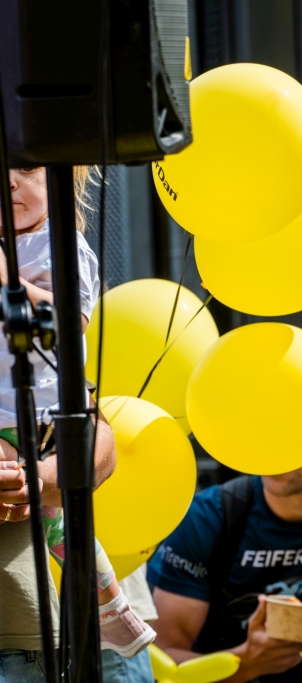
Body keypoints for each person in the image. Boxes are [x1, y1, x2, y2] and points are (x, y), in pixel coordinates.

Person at [0, 166, 155, 660]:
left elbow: (67, 322)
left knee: (50, 509)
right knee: (56, 521)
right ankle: (112, 610)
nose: (9, 181)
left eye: (27, 168)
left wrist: (7, 279)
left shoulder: (58, 245)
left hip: (34, 411)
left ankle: (110, 609)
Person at [149, 393, 302, 683]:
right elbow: (162, 662)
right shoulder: (208, 517)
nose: (272, 447)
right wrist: (246, 662)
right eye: (264, 428)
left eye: (296, 431)